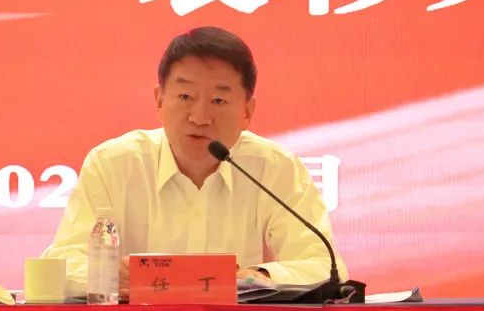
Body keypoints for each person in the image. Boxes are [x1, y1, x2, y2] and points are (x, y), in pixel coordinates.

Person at [42, 26, 348, 296]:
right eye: (185, 97)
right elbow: (61, 265)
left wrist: (258, 278)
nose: (200, 117)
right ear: (159, 100)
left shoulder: (274, 167)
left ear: (247, 111)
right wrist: (108, 274)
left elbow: (325, 266)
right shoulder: (114, 164)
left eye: (219, 100)